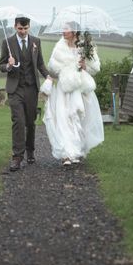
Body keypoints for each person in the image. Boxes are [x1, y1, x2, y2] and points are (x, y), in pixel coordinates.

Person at [42, 22, 104, 165]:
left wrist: (85, 66)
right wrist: (67, 69)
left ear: (75, 31)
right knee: (64, 119)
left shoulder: (86, 47)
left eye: (66, 29)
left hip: (81, 89)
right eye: (63, 28)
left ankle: (76, 151)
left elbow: (96, 68)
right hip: (64, 90)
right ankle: (66, 154)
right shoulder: (59, 47)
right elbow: (52, 67)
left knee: (79, 119)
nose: (63, 31)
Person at [0, 16, 49, 172]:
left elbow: (39, 63)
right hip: (15, 89)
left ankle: (30, 151)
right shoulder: (7, 42)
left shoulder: (36, 41)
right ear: (15, 27)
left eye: (25, 28)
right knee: (18, 121)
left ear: (29, 27)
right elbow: (1, 65)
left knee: (30, 122)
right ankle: (17, 157)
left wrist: (47, 75)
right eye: (20, 28)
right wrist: (8, 65)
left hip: (32, 88)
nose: (23, 31)